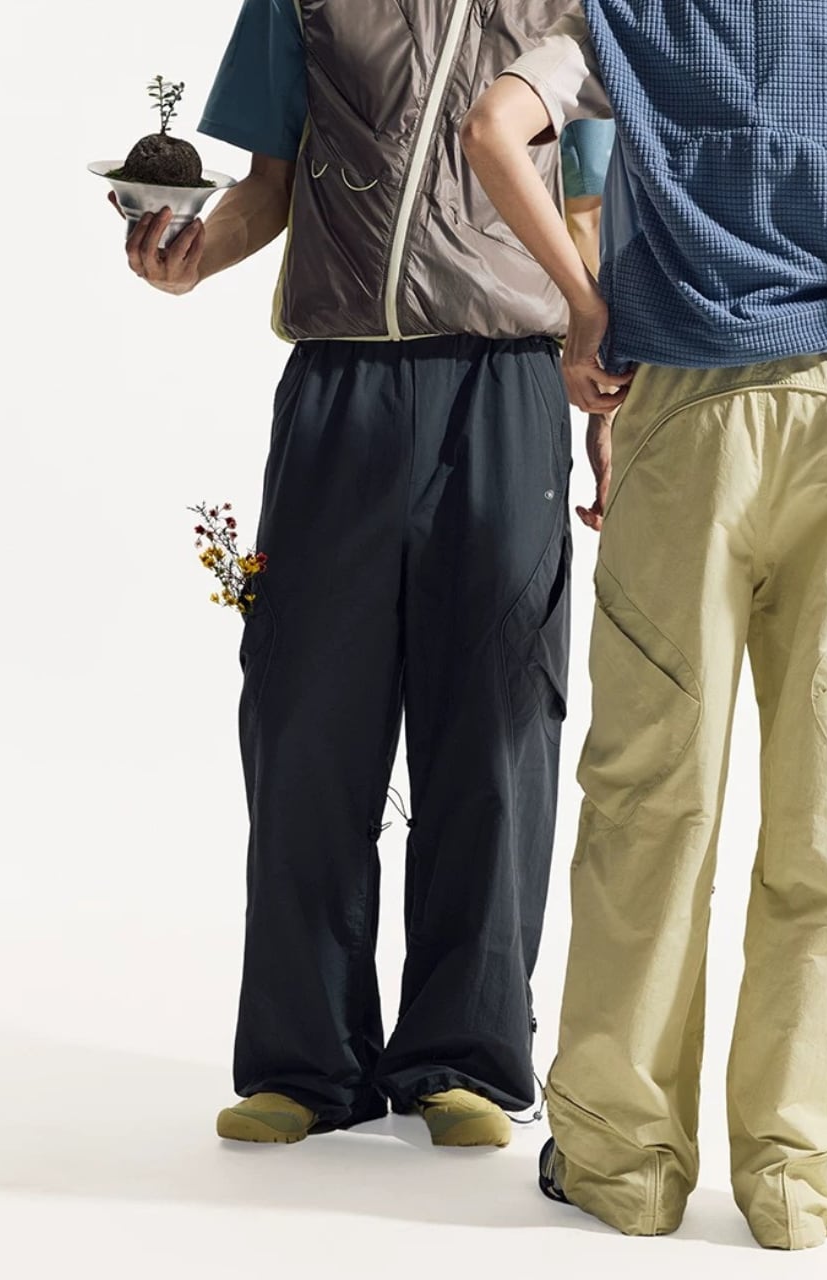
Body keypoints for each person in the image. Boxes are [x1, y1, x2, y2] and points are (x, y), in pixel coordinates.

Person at [462, 0, 827, 1246]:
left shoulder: (621, 17)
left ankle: (620, 1161)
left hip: (679, 427)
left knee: (648, 800)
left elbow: (491, 129)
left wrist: (583, 305)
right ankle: (805, 1172)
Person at [113, 0, 619, 1150]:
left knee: (494, 719)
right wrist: (194, 260)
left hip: (508, 378)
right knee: (303, 717)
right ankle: (306, 1060)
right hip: (338, 380)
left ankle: (464, 1054)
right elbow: (269, 184)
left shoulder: (569, 9)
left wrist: (603, 394)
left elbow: (585, 203)